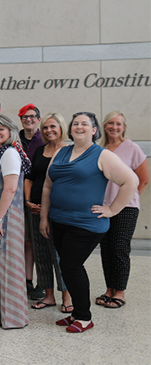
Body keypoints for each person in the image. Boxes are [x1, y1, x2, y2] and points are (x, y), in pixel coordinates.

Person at [40, 112, 138, 333]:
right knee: (68, 267)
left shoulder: (102, 155)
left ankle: (84, 317)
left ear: (94, 130)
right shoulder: (60, 152)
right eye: (76, 123)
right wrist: (44, 217)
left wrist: (112, 209)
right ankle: (76, 313)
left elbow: (131, 181)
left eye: (85, 124)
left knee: (70, 267)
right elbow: (47, 186)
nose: (79, 127)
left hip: (86, 224)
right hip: (58, 221)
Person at [0, 114, 31, 329]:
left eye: (1, 129)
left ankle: (12, 317)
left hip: (7, 217)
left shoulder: (10, 153)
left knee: (8, 263)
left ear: (11, 131)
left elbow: (11, 188)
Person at [96, 111, 149, 309]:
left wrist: (131, 199)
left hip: (125, 208)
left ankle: (120, 292)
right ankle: (109, 289)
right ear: (105, 126)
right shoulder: (101, 149)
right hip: (103, 206)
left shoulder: (132, 148)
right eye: (110, 123)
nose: (114, 127)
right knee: (106, 249)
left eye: (118, 124)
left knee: (119, 248)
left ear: (124, 127)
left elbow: (143, 179)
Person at [24, 113, 71, 312]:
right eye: (45, 128)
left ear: (61, 128)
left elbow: (71, 182)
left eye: (53, 127)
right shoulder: (40, 150)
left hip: (57, 211)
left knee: (59, 255)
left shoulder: (70, 150)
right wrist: (28, 201)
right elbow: (30, 177)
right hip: (35, 209)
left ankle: (67, 297)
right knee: (41, 254)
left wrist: (50, 206)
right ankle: (49, 295)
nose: (49, 131)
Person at [18, 104, 46, 300]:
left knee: (40, 242)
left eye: (32, 116)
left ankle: (43, 283)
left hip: (40, 197)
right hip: (18, 196)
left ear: (39, 119)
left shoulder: (45, 139)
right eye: (24, 117)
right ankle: (27, 281)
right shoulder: (15, 139)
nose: (28, 120)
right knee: (27, 241)